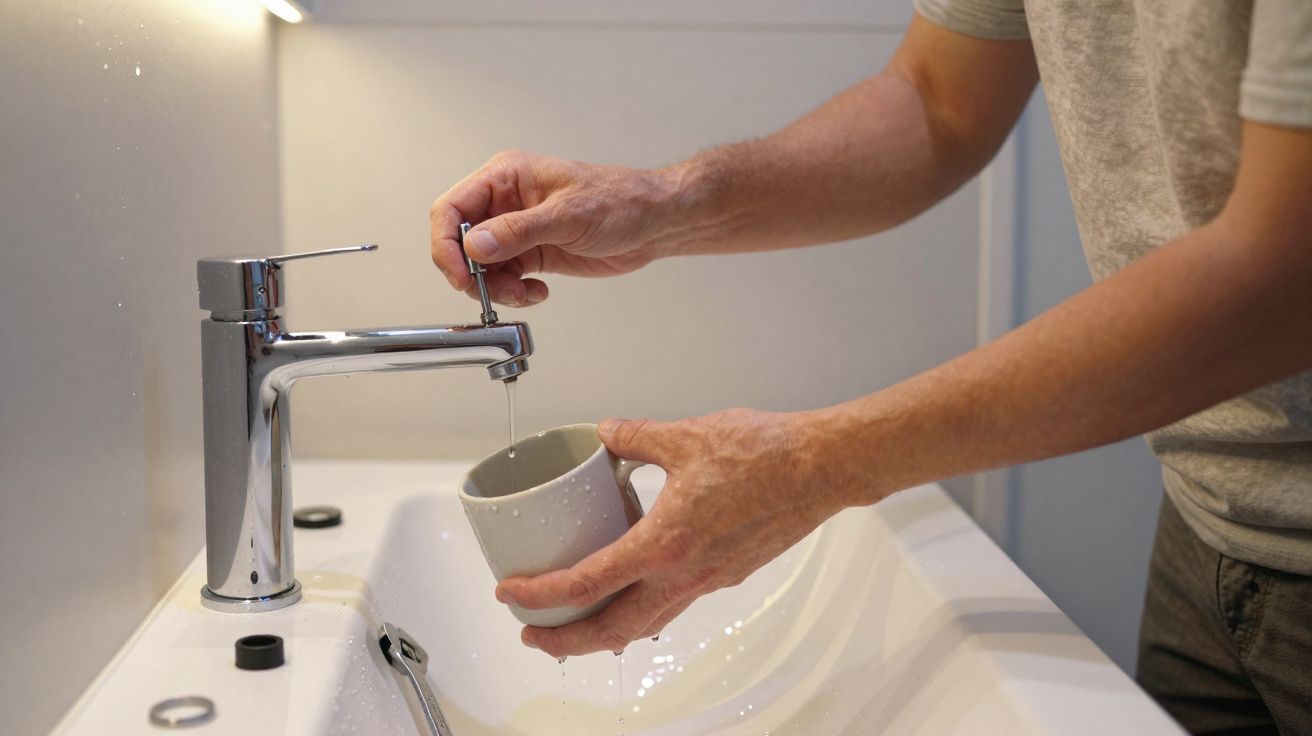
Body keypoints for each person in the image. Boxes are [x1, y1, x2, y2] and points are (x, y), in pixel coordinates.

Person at [429, 3, 1312, 733]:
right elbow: (937, 104)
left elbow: (1286, 276)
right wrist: (660, 205)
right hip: (1207, 526)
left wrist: (815, 465)